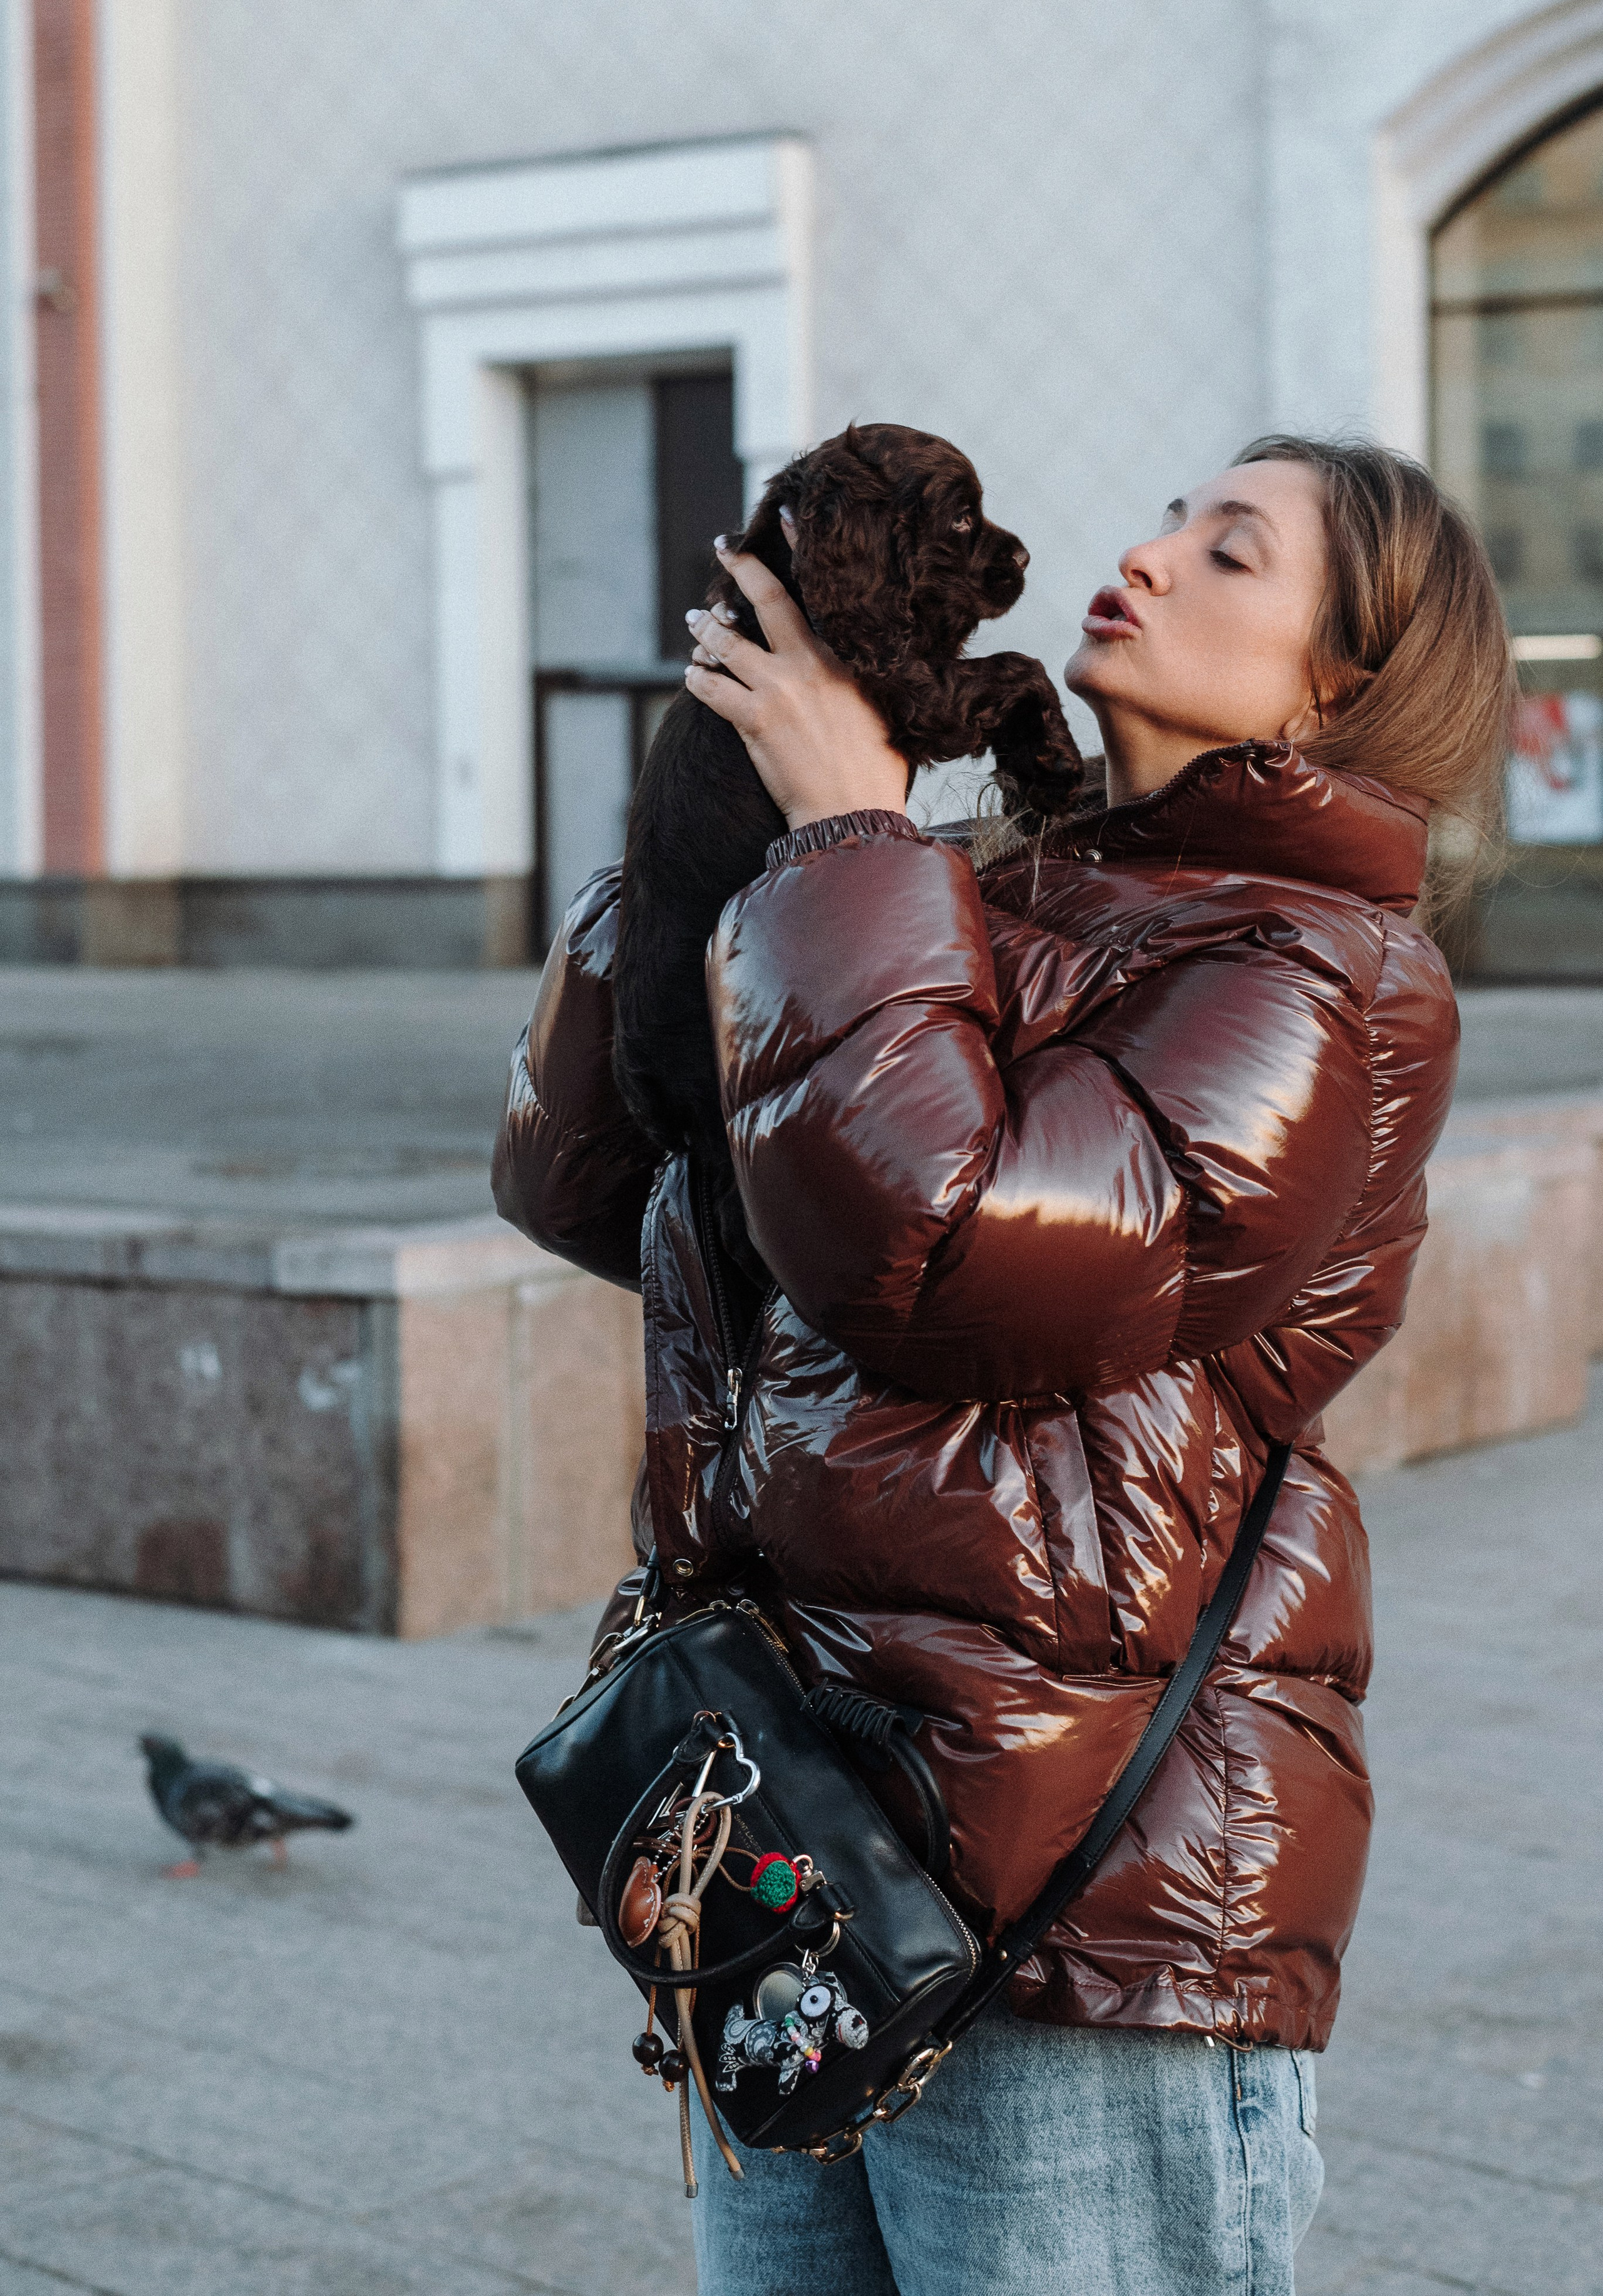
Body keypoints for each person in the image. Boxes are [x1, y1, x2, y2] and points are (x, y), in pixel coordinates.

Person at [493, 435, 1512, 2295]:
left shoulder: (1325, 975)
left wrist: (843, 847)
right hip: (805, 1852)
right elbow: (588, 1182)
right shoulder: (959, 886)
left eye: (1231, 550)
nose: (1146, 553)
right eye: (1171, 515)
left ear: (1343, 680)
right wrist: (714, 819)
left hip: (1085, 1924)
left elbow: (952, 1260)